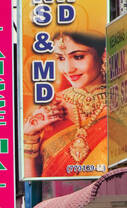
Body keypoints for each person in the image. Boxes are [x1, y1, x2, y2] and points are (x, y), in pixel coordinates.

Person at [21, 30, 108, 179]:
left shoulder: (124, 101)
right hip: (58, 200)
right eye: (61, 58)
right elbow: (33, 182)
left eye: (78, 57)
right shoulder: (48, 108)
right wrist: (29, 137)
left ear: (103, 56)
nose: (68, 69)